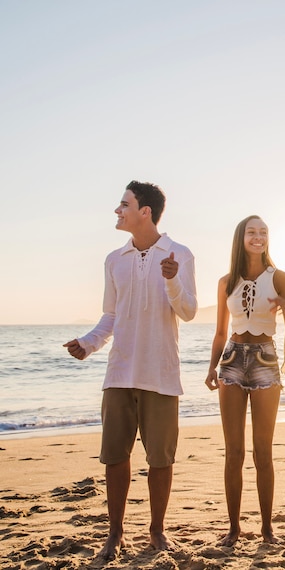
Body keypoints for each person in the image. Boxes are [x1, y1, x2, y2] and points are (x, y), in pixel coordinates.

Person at [63, 180, 198, 560]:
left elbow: (187, 311)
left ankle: (157, 530)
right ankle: (116, 532)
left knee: (161, 459)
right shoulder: (113, 260)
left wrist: (171, 279)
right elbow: (111, 316)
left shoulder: (179, 254)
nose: (117, 210)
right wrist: (88, 344)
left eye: (124, 204)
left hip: (161, 375)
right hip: (119, 374)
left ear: (146, 212)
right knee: (114, 456)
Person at [205, 215, 285, 547]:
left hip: (265, 359)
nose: (258, 237)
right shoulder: (226, 281)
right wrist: (211, 367)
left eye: (263, 233)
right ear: (241, 237)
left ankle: (267, 528)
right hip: (231, 360)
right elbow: (219, 331)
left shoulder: (280, 277)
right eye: (251, 232)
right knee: (233, 452)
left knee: (263, 451)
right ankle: (233, 528)